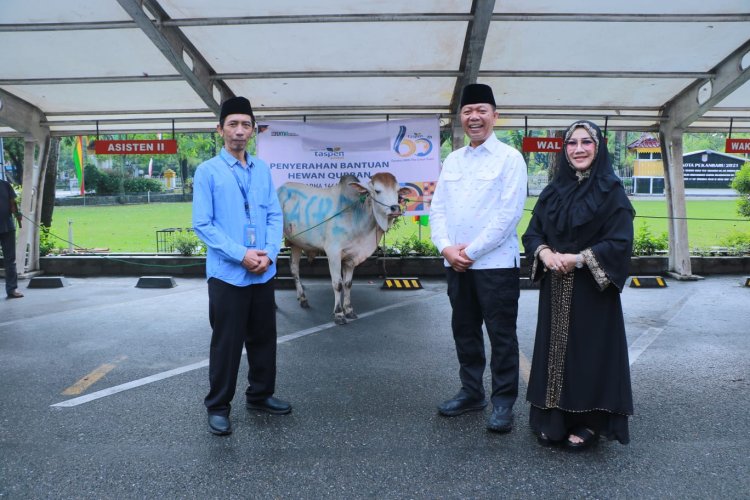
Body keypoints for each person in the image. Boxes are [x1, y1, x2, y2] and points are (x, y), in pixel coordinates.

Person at [522, 120, 635, 451]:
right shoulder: (553, 190)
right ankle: (553, 420)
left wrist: (579, 258)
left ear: (598, 148)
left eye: (587, 142)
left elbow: (620, 242)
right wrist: (543, 252)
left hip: (593, 293)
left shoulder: (611, 190)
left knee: (588, 355)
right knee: (555, 353)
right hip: (555, 289)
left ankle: (589, 423)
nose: (579, 149)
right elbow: (532, 233)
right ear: (564, 149)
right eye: (572, 143)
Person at [430, 83, 528, 433]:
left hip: (495, 265)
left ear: (494, 116)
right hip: (457, 265)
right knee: (464, 331)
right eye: (468, 111)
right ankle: (472, 392)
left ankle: (503, 402)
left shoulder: (510, 158)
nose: (474, 117)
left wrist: (467, 253)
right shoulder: (454, 159)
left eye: (481, 110)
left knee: (502, 336)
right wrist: (445, 248)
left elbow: (508, 215)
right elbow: (437, 209)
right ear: (461, 117)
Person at [193, 96, 290, 436]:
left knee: (264, 338)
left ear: (253, 131)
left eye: (245, 125)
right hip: (228, 274)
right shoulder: (208, 172)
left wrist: (268, 253)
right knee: (227, 343)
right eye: (232, 124)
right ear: (219, 130)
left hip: (263, 270)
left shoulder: (261, 169)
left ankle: (261, 395)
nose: (239, 131)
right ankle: (218, 406)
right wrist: (241, 254)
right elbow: (203, 225)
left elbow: (274, 215)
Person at [1, 178, 23, 299]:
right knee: (10, 260)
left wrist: (17, 214)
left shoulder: (5, 185)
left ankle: (12, 289)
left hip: (7, 227)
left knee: (10, 260)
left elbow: (12, 203)